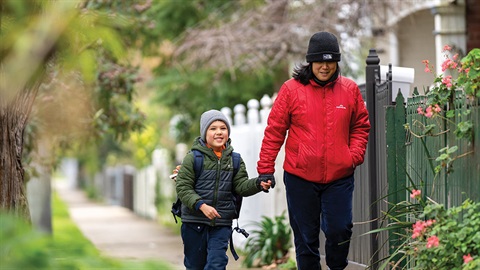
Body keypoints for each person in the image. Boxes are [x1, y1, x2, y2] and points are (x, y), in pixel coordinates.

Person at [256, 31, 371, 270]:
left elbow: (360, 125)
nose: (325, 67)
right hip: (300, 177)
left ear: (337, 62)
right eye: (320, 61)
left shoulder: (349, 90)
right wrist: (265, 169)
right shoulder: (291, 90)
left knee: (340, 229)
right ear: (311, 61)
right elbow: (274, 131)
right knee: (305, 238)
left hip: (339, 177)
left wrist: (354, 155)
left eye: (330, 61)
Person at [175, 109, 272, 270]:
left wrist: (258, 184)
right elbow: (183, 187)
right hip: (194, 222)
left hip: (221, 223)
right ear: (204, 132)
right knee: (195, 266)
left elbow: (240, 186)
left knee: (217, 264)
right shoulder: (193, 158)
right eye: (213, 128)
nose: (219, 132)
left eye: (223, 128)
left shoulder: (235, 159)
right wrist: (201, 205)